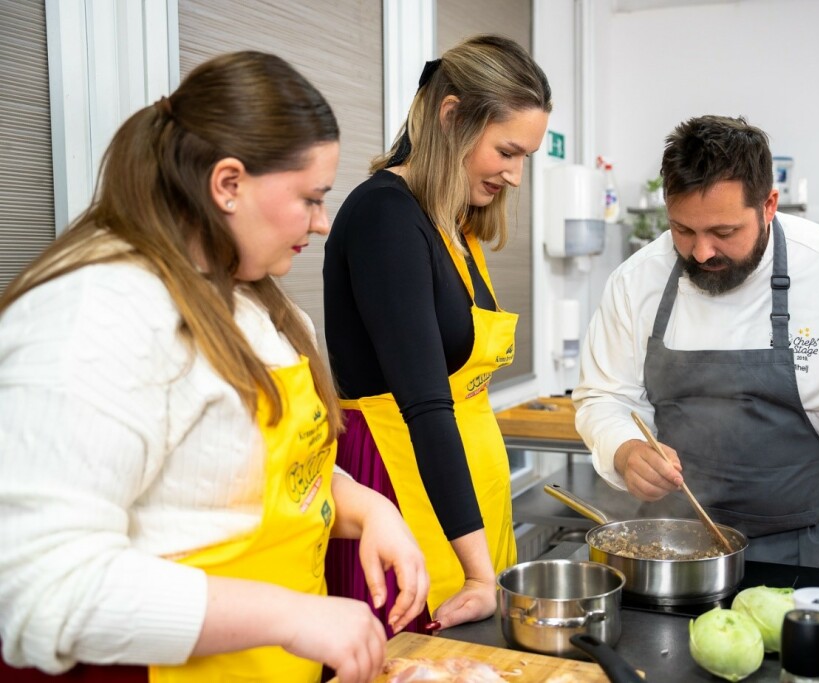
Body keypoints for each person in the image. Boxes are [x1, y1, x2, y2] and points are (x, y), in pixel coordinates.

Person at [0, 51, 428, 683]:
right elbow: (39, 588)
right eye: (309, 198)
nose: (323, 222)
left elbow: (249, 477)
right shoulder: (97, 313)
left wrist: (366, 507)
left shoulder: (255, 298)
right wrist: (287, 616)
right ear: (227, 183)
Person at [573, 115, 819, 625]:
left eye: (724, 231)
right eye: (682, 230)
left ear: (769, 206)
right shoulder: (635, 281)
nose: (701, 250)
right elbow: (603, 396)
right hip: (677, 545)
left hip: (811, 545)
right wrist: (625, 449)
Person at [322, 34, 551, 634]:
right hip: (408, 492)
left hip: (470, 502)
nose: (516, 176)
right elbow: (425, 403)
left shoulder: (451, 222)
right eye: (507, 151)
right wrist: (478, 574)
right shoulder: (384, 217)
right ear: (451, 117)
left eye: (524, 156)